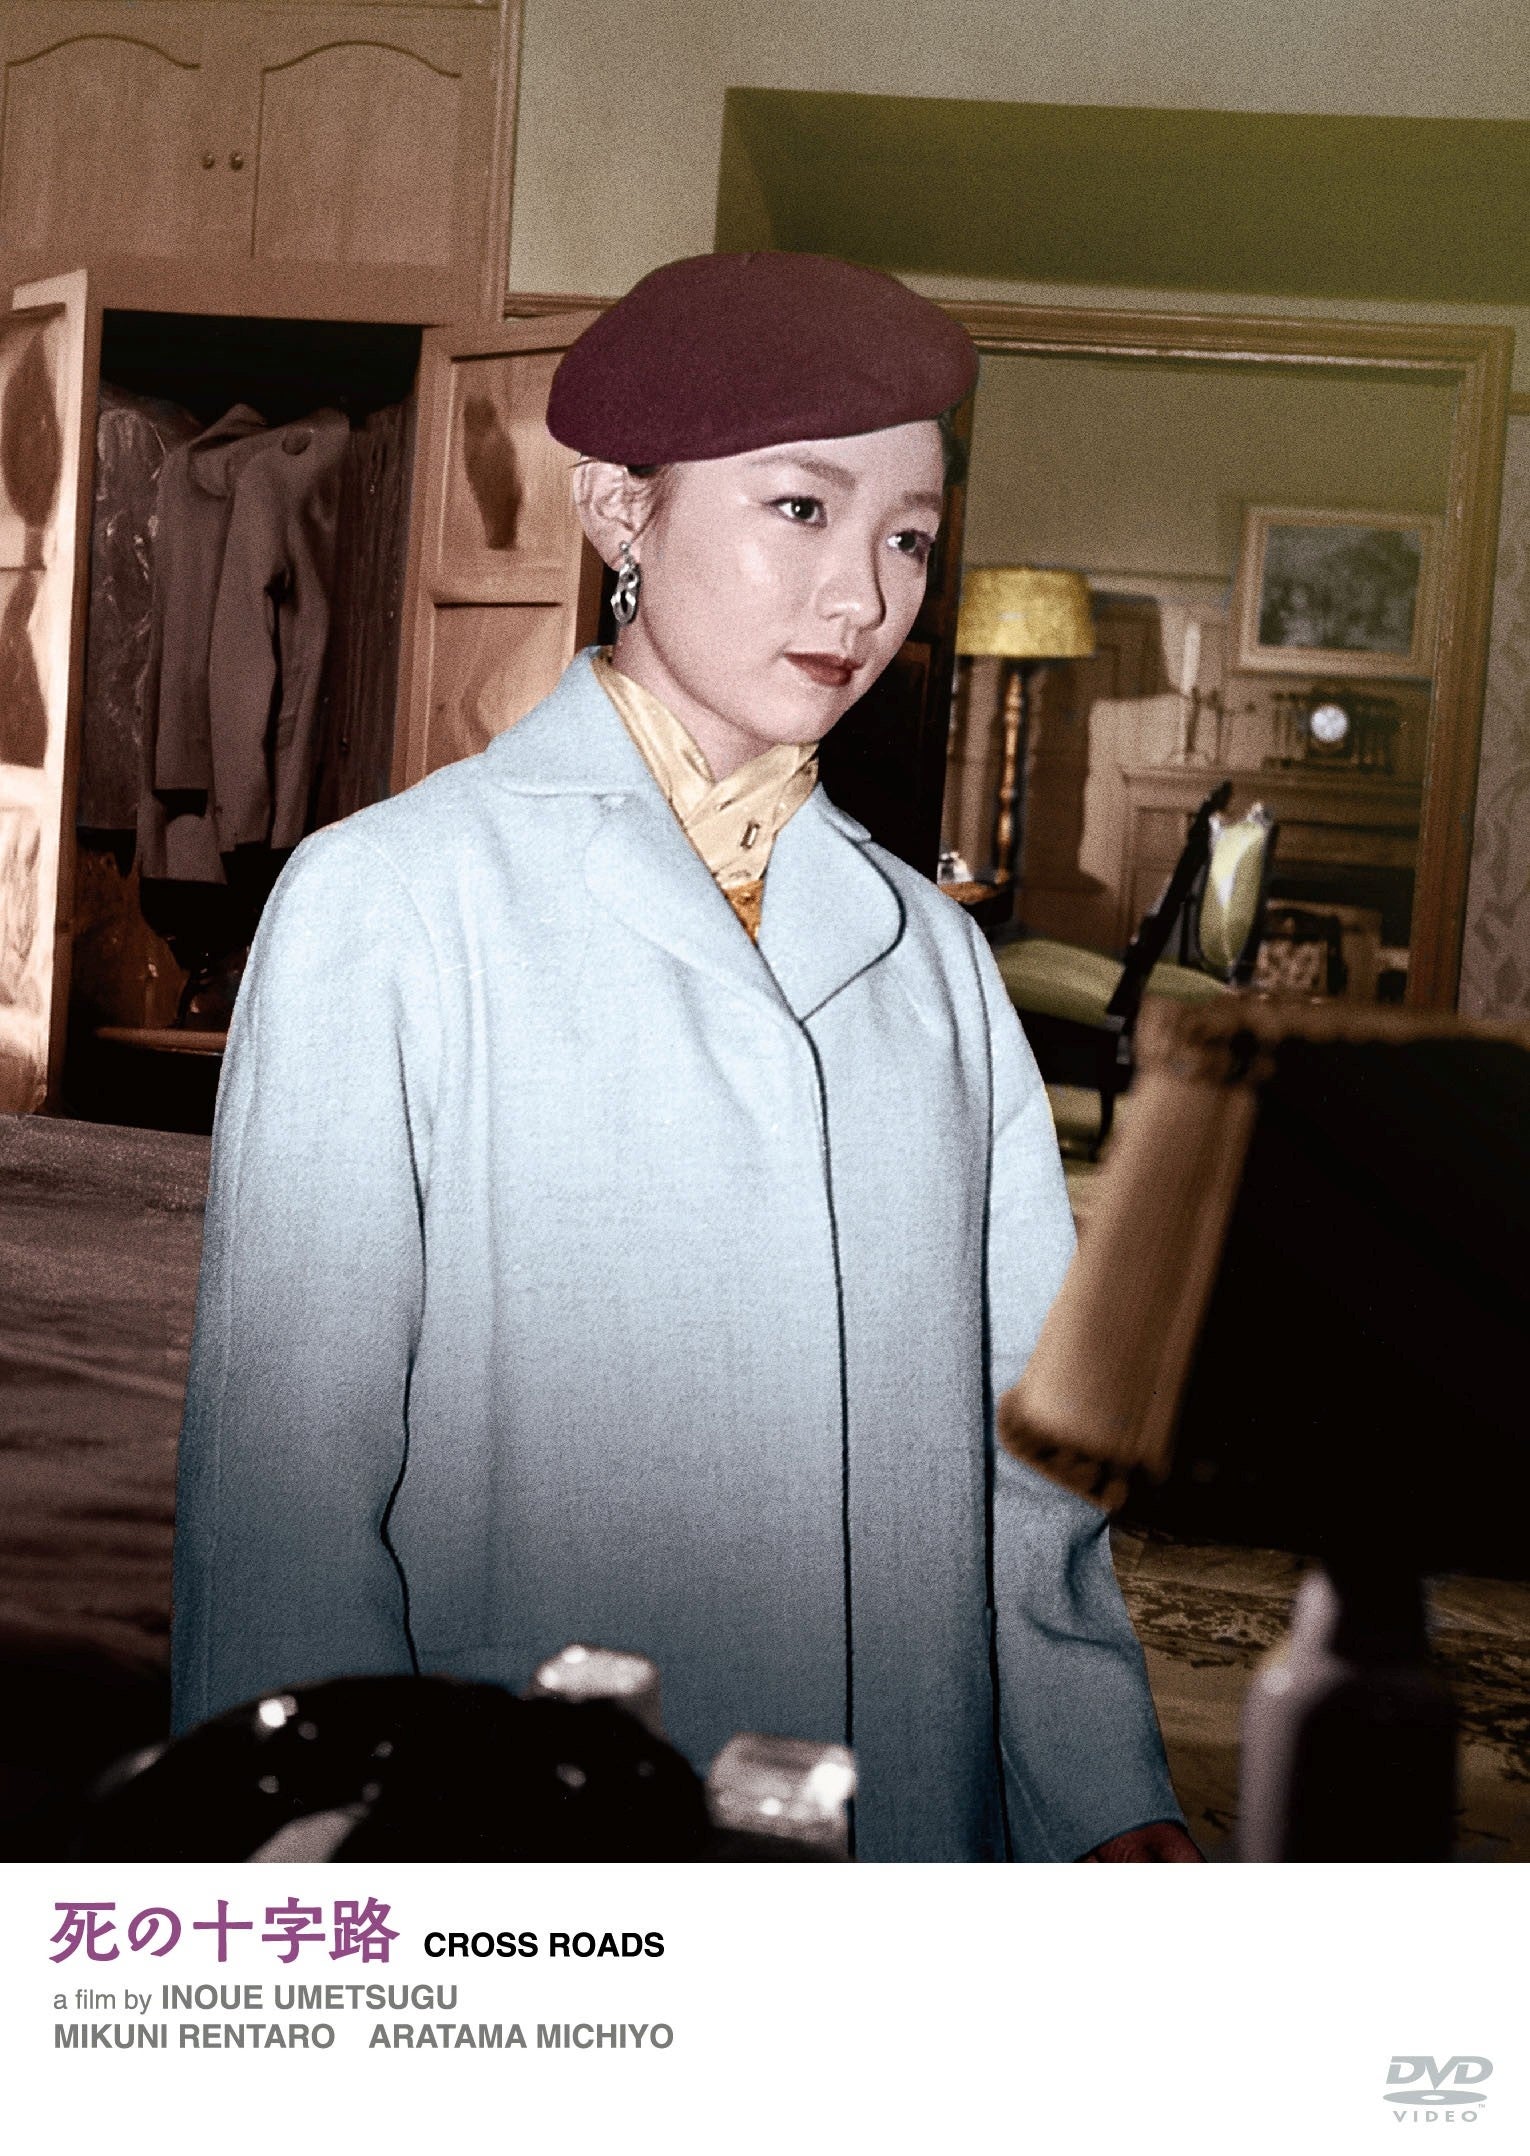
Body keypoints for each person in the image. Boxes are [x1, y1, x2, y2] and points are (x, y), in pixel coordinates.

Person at [171, 252, 1196, 1862]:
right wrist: (304, 1847)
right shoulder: (392, 900)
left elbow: (1028, 1443)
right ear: (617, 511)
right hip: (532, 1829)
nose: (861, 598)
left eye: (907, 536)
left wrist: (1100, 1796)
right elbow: (286, 1482)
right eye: (799, 508)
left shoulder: (932, 961)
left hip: (894, 1806)